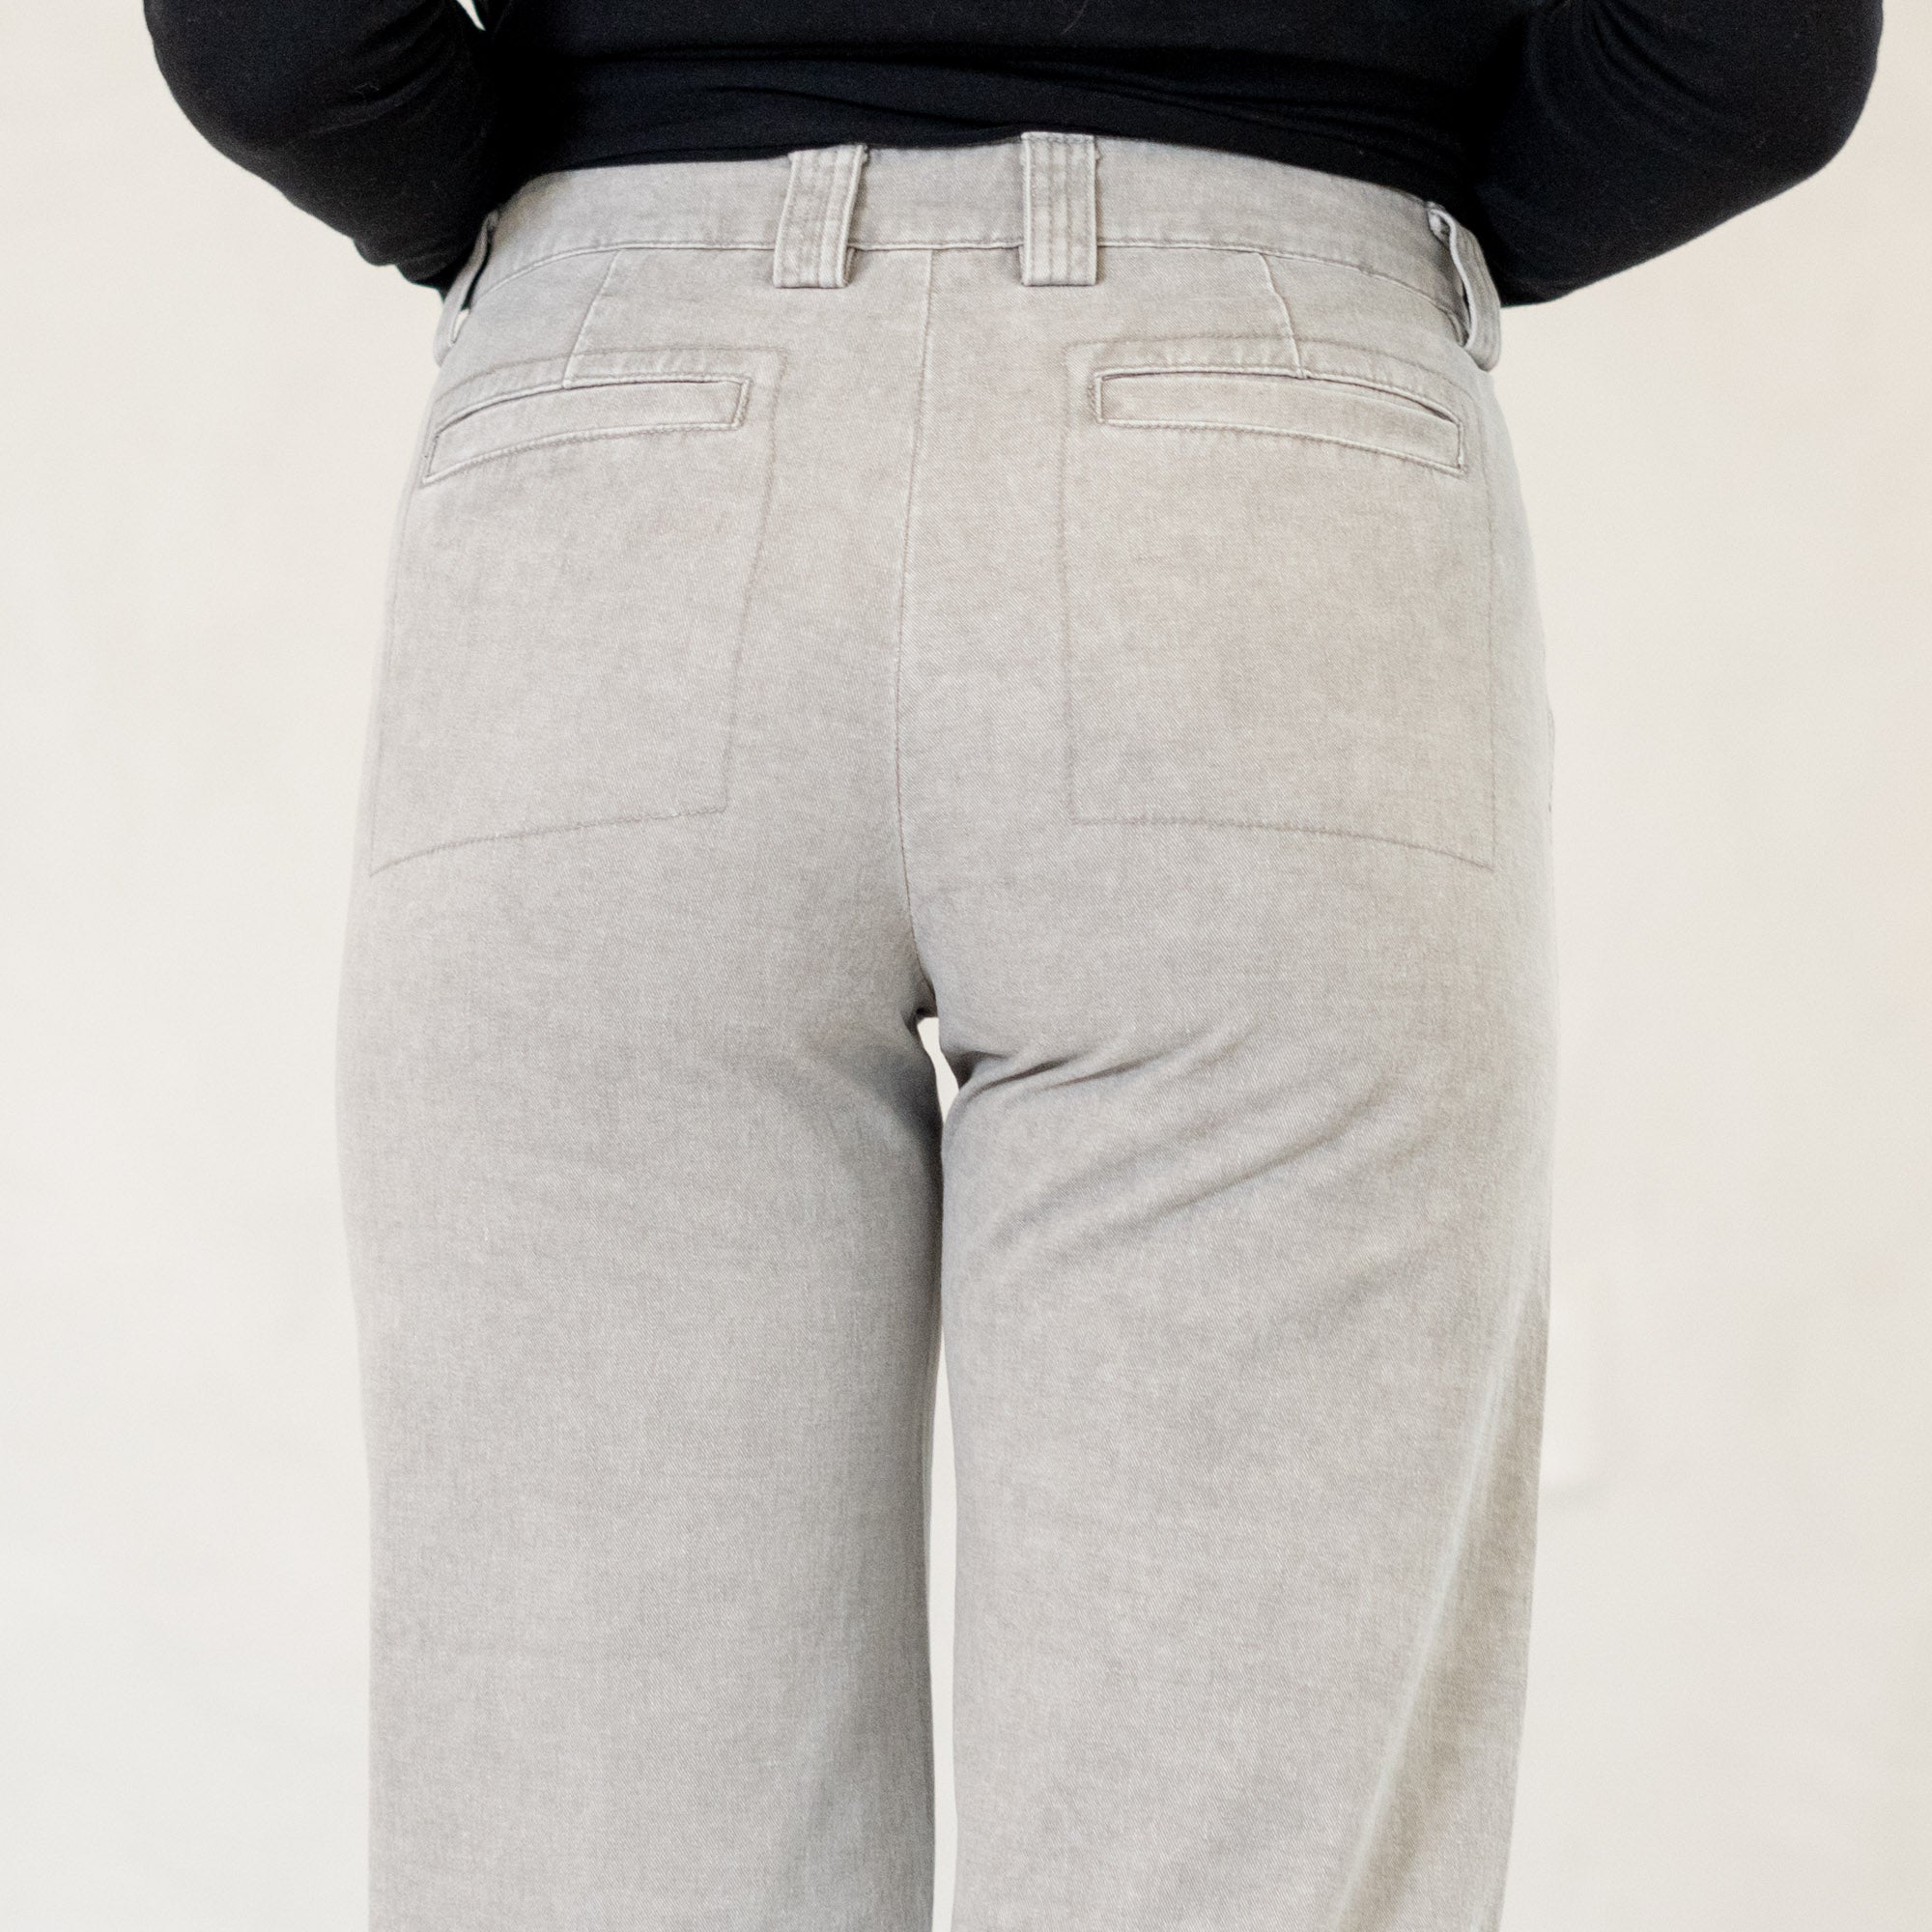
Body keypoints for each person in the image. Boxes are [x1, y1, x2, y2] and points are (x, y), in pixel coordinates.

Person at [142, 7, 1882, 1930]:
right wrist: (1347, 213)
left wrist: (588, 226)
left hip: (615, 462)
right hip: (1273, 477)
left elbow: (274, 42)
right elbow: (1751, 58)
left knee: (590, 1828)